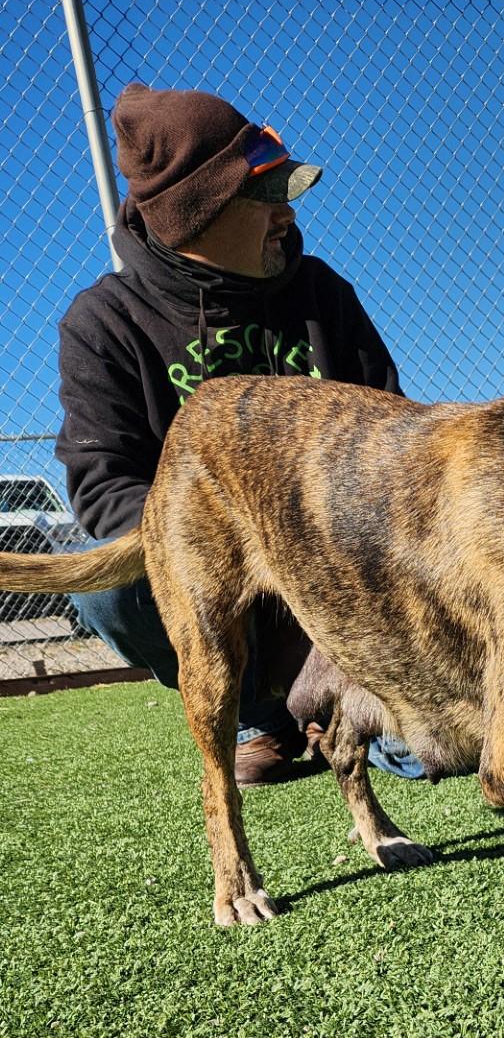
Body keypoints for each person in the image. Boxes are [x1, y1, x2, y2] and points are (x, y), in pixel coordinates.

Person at [55, 81, 421, 784]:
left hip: (342, 573)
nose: (287, 213)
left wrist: (322, 582)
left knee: (440, 751)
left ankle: (366, 705)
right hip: (221, 576)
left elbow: (396, 442)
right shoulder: (104, 324)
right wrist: (255, 554)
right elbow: (105, 495)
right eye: (266, 195)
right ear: (198, 213)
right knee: (105, 584)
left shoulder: (321, 294)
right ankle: (267, 714)